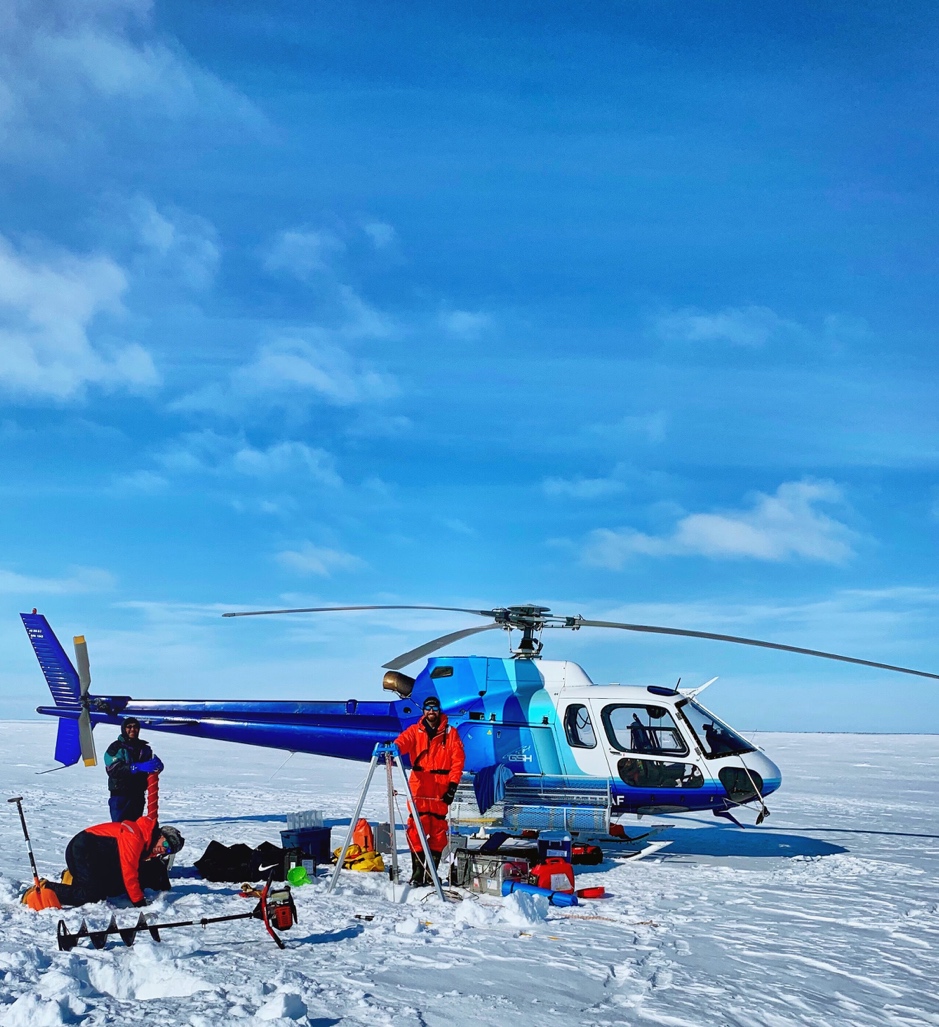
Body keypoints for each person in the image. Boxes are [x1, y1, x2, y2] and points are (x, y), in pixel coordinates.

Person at [393, 695, 465, 886]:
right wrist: (395, 747)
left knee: (438, 831)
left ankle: (431, 872)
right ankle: (418, 872)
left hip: (441, 786)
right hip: (420, 784)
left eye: (434, 708)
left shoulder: (451, 733)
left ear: (439, 711)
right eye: (428, 708)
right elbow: (403, 741)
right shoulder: (414, 731)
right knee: (416, 827)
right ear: (423, 710)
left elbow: (458, 760)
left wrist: (453, 785)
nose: (431, 712)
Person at [41, 819, 185, 908]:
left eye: (168, 850)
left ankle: (74, 878)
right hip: (82, 850)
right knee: (91, 896)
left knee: (112, 889)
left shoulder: (146, 844)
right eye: (165, 843)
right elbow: (129, 873)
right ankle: (44, 888)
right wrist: (139, 902)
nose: (163, 849)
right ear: (160, 835)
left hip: (96, 858)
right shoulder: (136, 838)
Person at [104, 717, 164, 821]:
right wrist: (136, 767)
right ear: (124, 729)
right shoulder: (115, 748)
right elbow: (113, 769)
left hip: (138, 795)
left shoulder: (144, 748)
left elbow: (150, 767)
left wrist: (157, 766)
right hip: (120, 794)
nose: (132, 729)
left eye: (135, 727)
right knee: (120, 827)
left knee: (135, 827)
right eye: (129, 727)